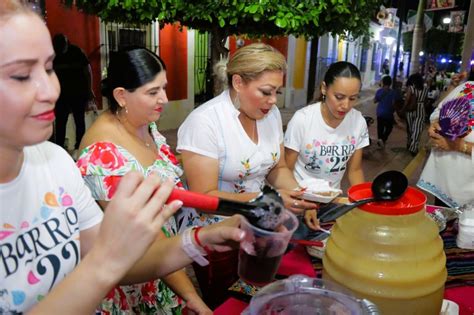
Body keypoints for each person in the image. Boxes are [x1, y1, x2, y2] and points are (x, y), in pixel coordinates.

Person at [0, 2, 245, 313]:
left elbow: (125, 261)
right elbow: (111, 260)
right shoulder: (101, 156)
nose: (51, 89)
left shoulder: (55, 162)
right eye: (21, 75)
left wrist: (201, 238)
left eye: (49, 68)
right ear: (120, 96)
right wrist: (107, 262)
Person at [176, 43, 316, 307]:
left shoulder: (271, 114)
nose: (273, 100)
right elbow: (202, 196)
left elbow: (277, 168)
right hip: (217, 235)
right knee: (227, 303)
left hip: (261, 227)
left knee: (258, 298)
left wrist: (300, 195)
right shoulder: (205, 123)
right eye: (266, 92)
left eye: (277, 92)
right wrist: (271, 200)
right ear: (238, 82)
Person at [76, 47, 210, 314]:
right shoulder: (104, 155)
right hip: (134, 282)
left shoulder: (143, 124)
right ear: (121, 96)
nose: (165, 98)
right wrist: (191, 296)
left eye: (164, 88)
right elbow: (146, 239)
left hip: (164, 265)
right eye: (153, 92)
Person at [284, 61, 369, 209]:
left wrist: (363, 203)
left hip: (332, 202)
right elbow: (285, 169)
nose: (346, 105)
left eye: (353, 98)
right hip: (299, 201)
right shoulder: (302, 120)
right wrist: (301, 202)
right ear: (324, 88)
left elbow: (355, 170)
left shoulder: (358, 122)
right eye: (339, 97)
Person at [417, 72, 473, 208]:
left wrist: (460, 146)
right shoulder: (468, 87)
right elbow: (439, 111)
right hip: (444, 182)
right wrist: (436, 123)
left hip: (468, 190)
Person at [50, 33, 93, 154]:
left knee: (79, 120)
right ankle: (59, 148)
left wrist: (89, 90)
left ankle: (80, 146)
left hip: (78, 93)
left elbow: (88, 71)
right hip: (61, 95)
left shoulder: (77, 52)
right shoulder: (53, 55)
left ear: (67, 43)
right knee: (60, 122)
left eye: (62, 46)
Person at [403, 73, 428, 156]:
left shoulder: (411, 88)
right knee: (417, 129)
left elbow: (407, 100)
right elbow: (425, 101)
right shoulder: (425, 88)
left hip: (410, 110)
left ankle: (411, 144)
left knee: (411, 129)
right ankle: (413, 147)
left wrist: (402, 109)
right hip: (421, 110)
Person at [374, 75, 399, 148]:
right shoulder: (393, 92)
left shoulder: (379, 91)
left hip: (379, 112)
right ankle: (383, 139)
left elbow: (375, 101)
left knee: (380, 127)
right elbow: (394, 104)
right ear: (390, 83)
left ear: (383, 82)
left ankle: (380, 140)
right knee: (389, 127)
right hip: (388, 113)